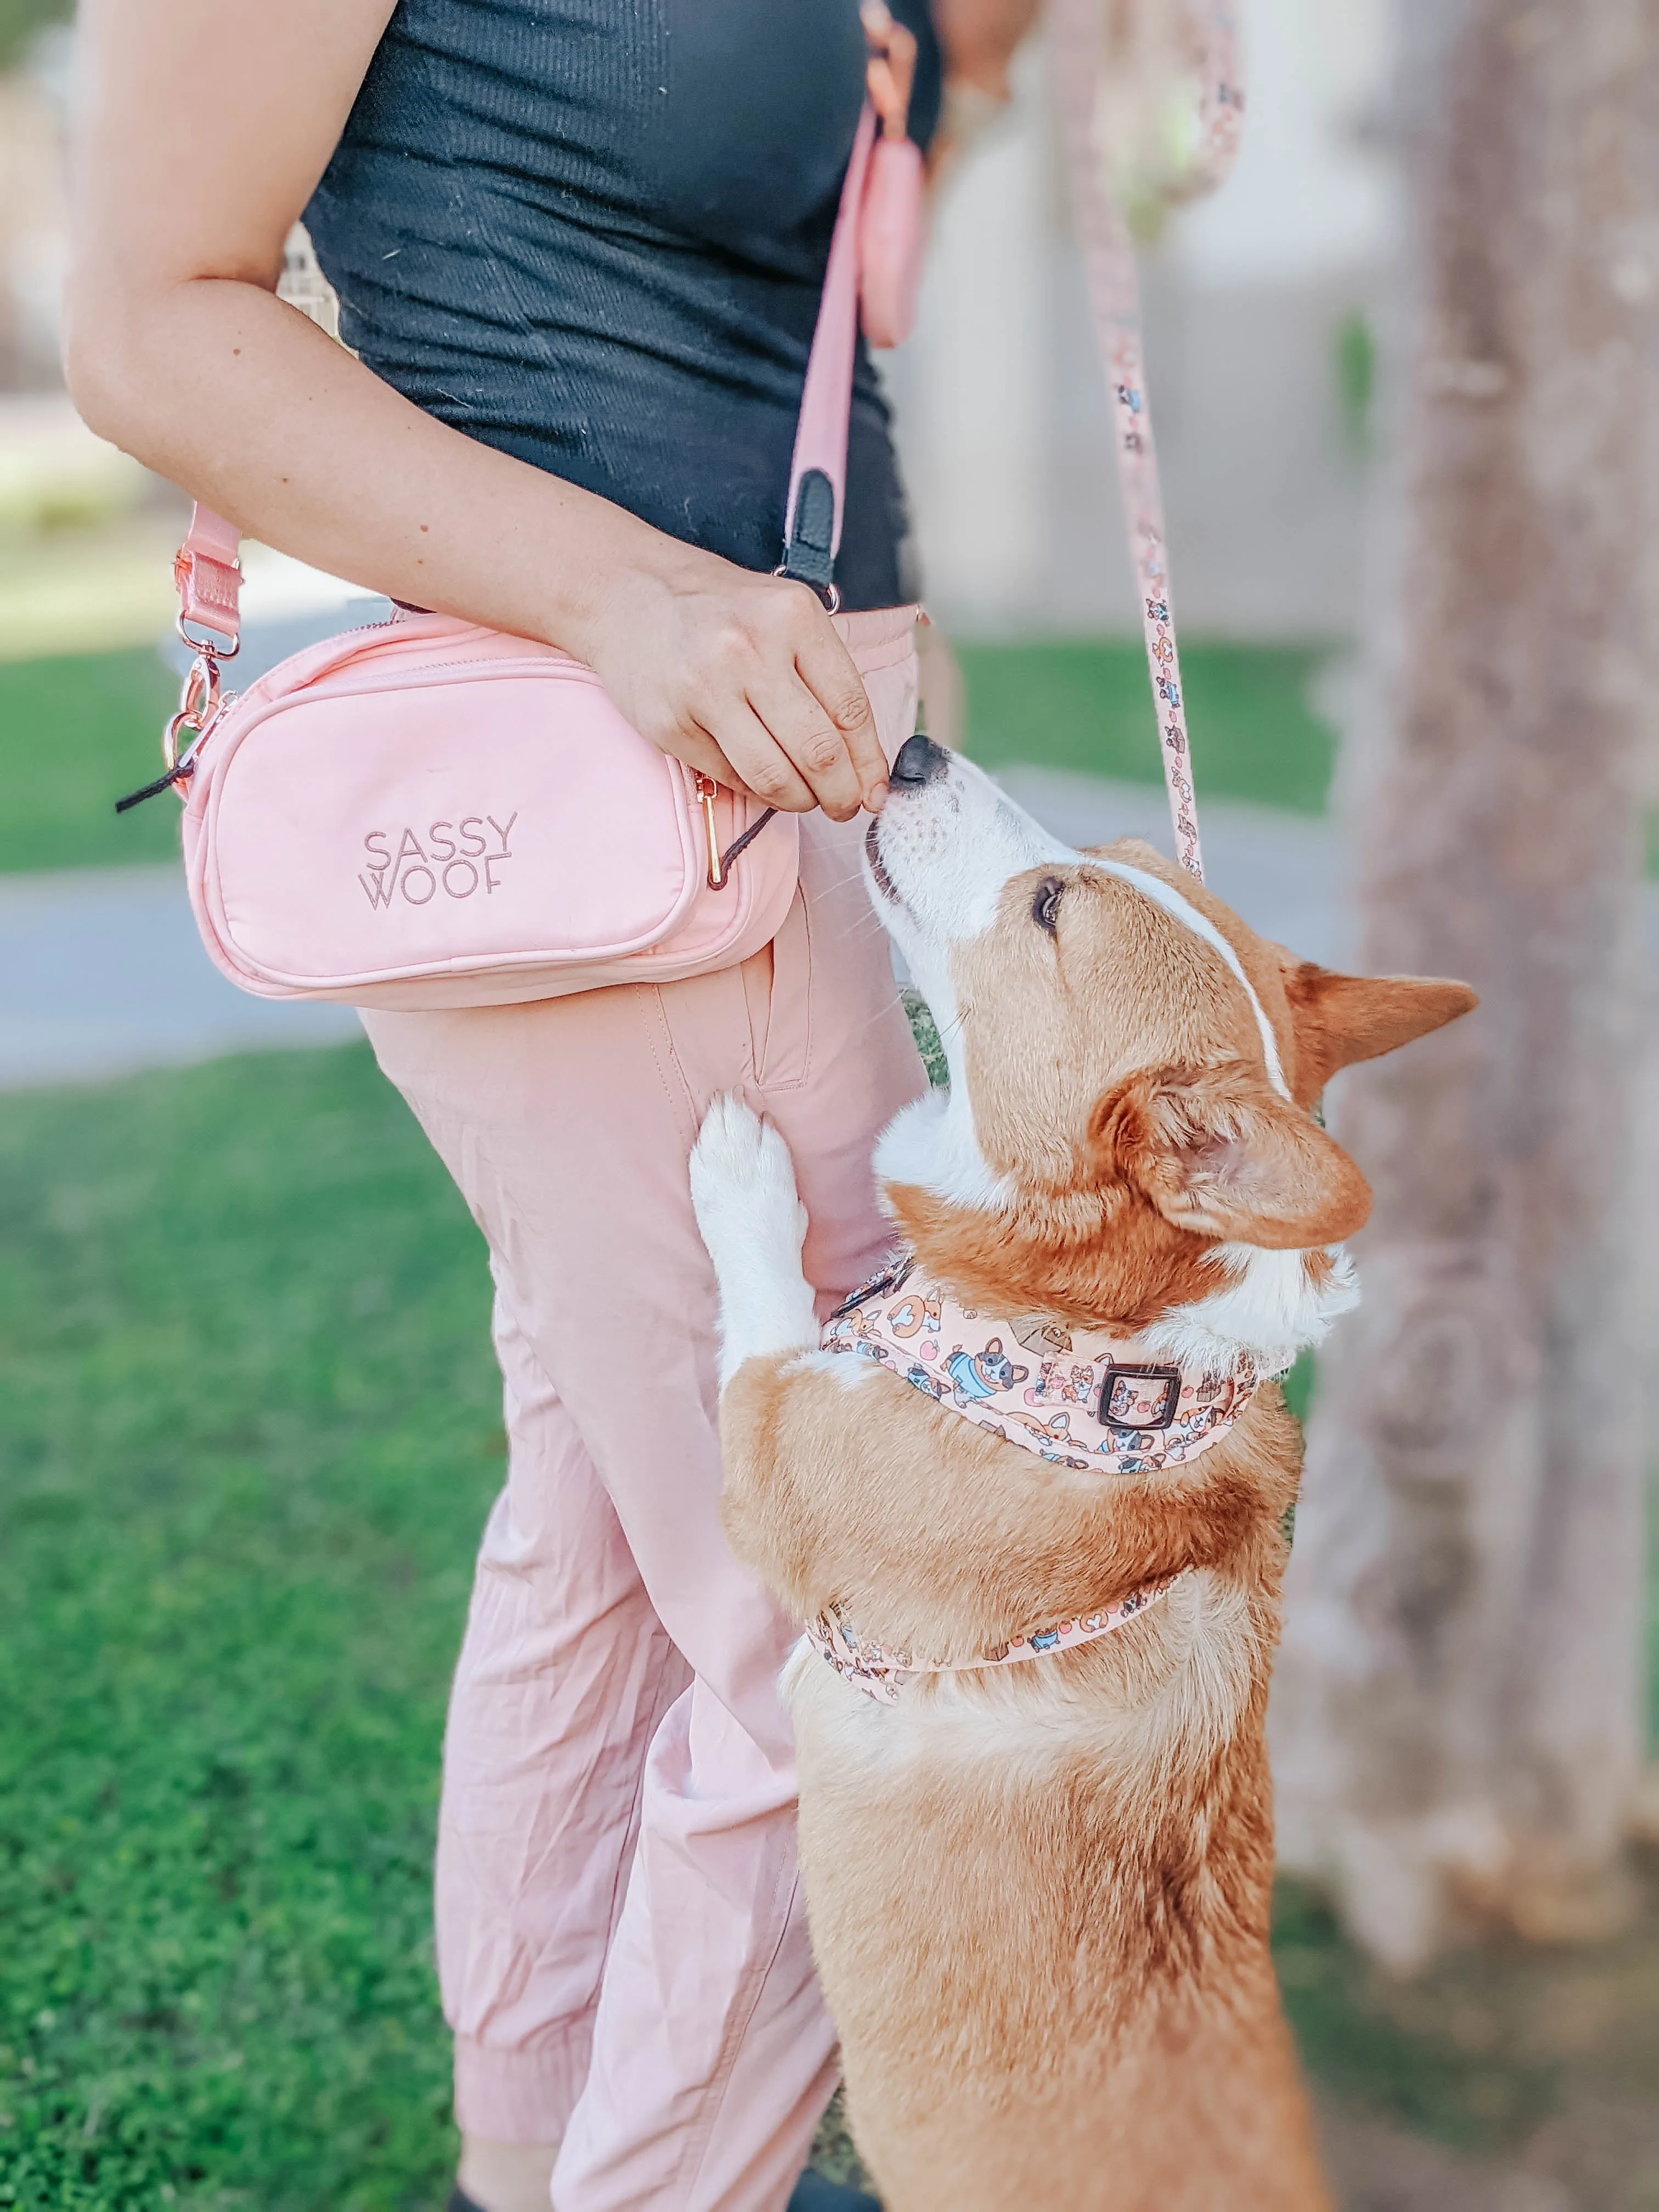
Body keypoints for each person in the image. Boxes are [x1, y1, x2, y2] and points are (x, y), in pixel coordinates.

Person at [66, 3, 1034, 2205]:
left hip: (805, 754)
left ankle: (550, 2154)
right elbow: (144, 314)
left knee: (608, 1548)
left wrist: (959, 56)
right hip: (601, 776)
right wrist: (636, 599)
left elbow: (806, 296)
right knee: (864, 1602)